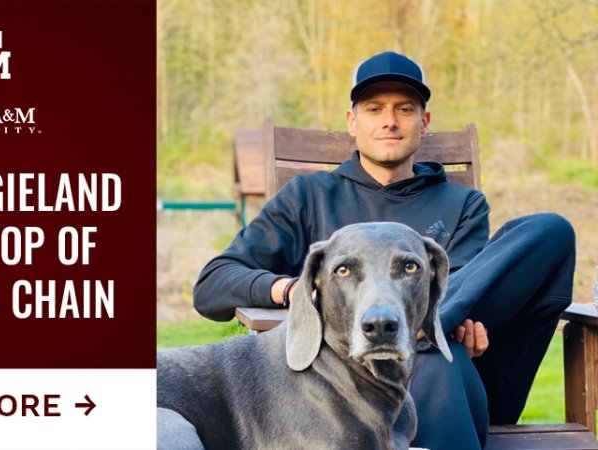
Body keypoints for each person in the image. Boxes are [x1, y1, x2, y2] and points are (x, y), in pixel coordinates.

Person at [193, 51, 576, 449]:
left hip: (451, 370)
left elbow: (469, 288)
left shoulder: (463, 204)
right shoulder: (308, 197)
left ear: (423, 123)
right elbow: (212, 285)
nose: (390, 121)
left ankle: (427, 323)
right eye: (374, 108)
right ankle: (425, 328)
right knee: (437, 354)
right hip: (344, 392)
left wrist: (448, 317)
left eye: (405, 109)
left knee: (549, 231)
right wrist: (291, 291)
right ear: (352, 123)